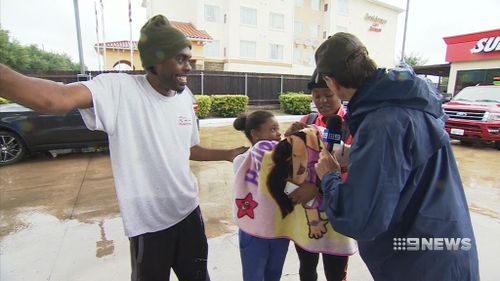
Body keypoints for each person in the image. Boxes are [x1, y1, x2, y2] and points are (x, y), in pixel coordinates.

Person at [0, 15, 247, 281]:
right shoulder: (119, 89)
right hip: (148, 223)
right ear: (155, 60)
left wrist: (228, 154)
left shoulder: (184, 97)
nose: (188, 67)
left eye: (190, 59)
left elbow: (188, 149)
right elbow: (54, 99)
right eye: (180, 59)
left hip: (188, 210)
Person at [314, 32, 479, 281]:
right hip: (446, 246)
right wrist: (357, 157)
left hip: (418, 264)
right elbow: (407, 166)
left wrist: (329, 177)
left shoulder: (382, 123)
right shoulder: (411, 102)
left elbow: (361, 219)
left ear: (331, 81)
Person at [286, 72, 352, 281]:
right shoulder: (307, 120)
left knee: (335, 272)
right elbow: (290, 161)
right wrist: (288, 137)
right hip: (308, 208)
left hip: (338, 207)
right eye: (316, 95)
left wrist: (319, 186)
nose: (321, 100)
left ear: (339, 93)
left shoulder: (352, 124)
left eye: (327, 94)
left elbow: (357, 167)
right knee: (306, 267)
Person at [232, 111, 290, 281]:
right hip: (253, 231)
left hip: (279, 229)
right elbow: (268, 182)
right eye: (272, 129)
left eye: (278, 128)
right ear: (256, 134)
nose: (279, 133)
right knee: (254, 275)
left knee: (274, 274)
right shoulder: (241, 161)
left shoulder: (286, 159)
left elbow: (291, 188)